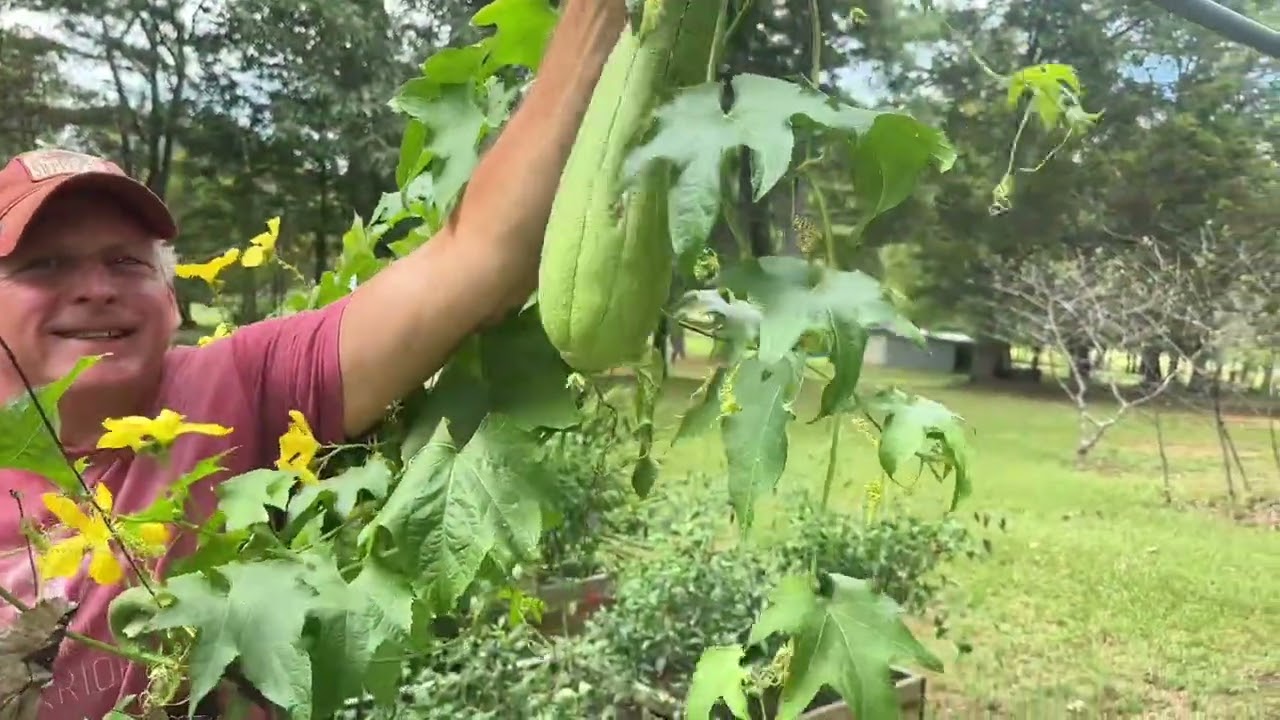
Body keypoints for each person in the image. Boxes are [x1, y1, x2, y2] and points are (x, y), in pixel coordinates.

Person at [0, 2, 626, 718]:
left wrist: (596, 22)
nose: (97, 289)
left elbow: (477, 259)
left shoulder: (234, 384)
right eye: (45, 265)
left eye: (126, 262)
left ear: (171, 300)